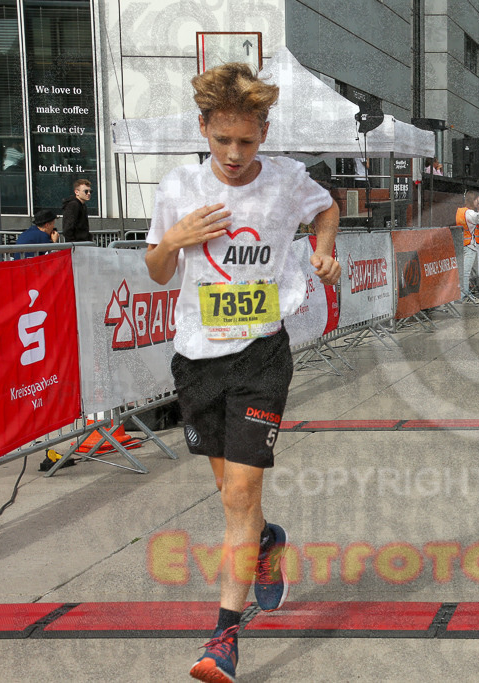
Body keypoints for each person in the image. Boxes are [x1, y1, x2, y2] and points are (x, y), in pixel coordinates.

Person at [144, 63, 340, 683]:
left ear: (264, 133)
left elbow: (326, 208)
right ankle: (265, 544)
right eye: (222, 139)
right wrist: (173, 239)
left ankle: (224, 639)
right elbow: (155, 271)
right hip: (198, 359)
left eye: (247, 141)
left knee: (239, 498)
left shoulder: (286, 181)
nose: (233, 154)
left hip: (262, 353)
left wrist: (323, 249)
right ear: (203, 127)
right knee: (233, 493)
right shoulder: (178, 186)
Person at [457, 189, 479, 304]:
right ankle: (464, 295)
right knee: (466, 272)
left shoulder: (461, 211)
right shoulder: (470, 213)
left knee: (464, 272)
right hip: (470, 246)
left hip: (463, 244)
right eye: (476, 200)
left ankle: (464, 294)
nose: (478, 202)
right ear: (473, 200)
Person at [61, 178, 91, 243]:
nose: (88, 193)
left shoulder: (82, 205)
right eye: (86, 191)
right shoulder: (73, 205)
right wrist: (73, 243)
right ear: (76, 192)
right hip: (76, 244)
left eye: (90, 191)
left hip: (81, 243)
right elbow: (68, 227)